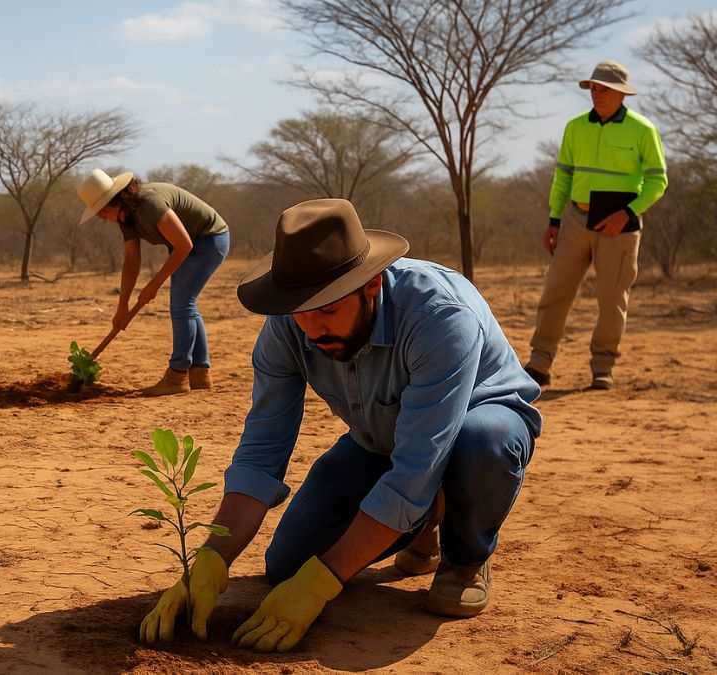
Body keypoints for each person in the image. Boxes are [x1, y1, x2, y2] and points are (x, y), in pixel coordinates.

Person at [139, 199, 542, 652]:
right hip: (380, 441)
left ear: (370, 285)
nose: (311, 328)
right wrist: (213, 557)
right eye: (299, 310)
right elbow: (261, 450)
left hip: (474, 426)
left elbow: (416, 467)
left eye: (327, 309)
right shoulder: (289, 327)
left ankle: (466, 556)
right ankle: (425, 520)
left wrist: (322, 583)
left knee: (483, 441)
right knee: (289, 564)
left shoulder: (439, 318)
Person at [526, 60, 668, 390]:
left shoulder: (643, 129)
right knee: (555, 291)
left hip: (620, 223)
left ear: (620, 93)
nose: (596, 94)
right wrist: (554, 220)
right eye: (593, 88)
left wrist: (628, 213)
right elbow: (563, 176)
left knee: (612, 299)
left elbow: (658, 181)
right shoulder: (575, 127)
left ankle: (602, 367)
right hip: (576, 219)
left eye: (603, 89)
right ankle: (539, 364)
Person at [76, 169, 231, 396]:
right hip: (187, 246)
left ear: (111, 203)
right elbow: (131, 260)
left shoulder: (149, 204)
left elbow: (184, 245)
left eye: (100, 212)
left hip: (209, 239)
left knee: (182, 305)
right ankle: (200, 374)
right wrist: (122, 306)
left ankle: (177, 375)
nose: (101, 218)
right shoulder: (125, 217)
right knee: (186, 305)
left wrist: (154, 284)